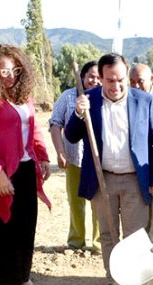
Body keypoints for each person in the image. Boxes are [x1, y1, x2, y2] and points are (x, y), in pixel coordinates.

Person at [65, 53, 153, 285]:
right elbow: (71, 136)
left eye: (120, 79)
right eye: (109, 80)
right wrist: (78, 113)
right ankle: (114, 282)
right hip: (102, 179)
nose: (116, 86)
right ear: (101, 78)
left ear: (127, 76)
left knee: (134, 237)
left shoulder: (144, 100)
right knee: (108, 235)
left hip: (134, 179)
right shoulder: (88, 100)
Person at [0, 44, 52, 285]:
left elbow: (34, 127)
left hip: (26, 166)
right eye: (3, 70)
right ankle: (1, 277)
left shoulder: (22, 94)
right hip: (0, 170)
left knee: (26, 222)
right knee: (0, 224)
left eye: (14, 70)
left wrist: (42, 156)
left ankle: (21, 274)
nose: (10, 76)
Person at [49, 61, 101, 252]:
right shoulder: (68, 96)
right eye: (90, 76)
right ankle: (76, 241)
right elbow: (55, 124)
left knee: (99, 203)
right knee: (75, 203)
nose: (94, 80)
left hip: (97, 161)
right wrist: (60, 152)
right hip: (73, 160)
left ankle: (99, 242)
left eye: (98, 77)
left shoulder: (103, 96)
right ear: (82, 77)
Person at [130, 63, 153, 242]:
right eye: (132, 81)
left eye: (140, 81)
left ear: (152, 79)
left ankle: (150, 247)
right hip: (133, 166)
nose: (136, 86)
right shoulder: (127, 98)